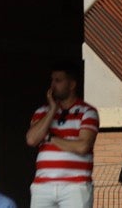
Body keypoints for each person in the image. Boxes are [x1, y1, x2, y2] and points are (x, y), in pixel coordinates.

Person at [25, 65, 99, 208]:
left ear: (72, 84)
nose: (53, 85)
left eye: (58, 80)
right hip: (43, 185)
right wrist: (52, 109)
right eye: (52, 80)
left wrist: (49, 138)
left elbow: (83, 146)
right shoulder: (42, 112)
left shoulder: (87, 112)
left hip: (75, 185)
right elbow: (31, 139)